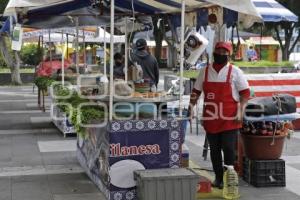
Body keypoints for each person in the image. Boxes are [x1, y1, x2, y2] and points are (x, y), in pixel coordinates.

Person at [188, 42, 250, 189]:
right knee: (214, 150)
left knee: (228, 149)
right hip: (211, 117)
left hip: (230, 118)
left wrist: (241, 111)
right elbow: (196, 92)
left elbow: (245, 93)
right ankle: (218, 178)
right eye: (218, 51)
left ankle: (229, 178)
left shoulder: (235, 72)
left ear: (229, 55)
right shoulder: (204, 71)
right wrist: (190, 108)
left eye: (224, 52)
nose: (221, 54)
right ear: (214, 52)